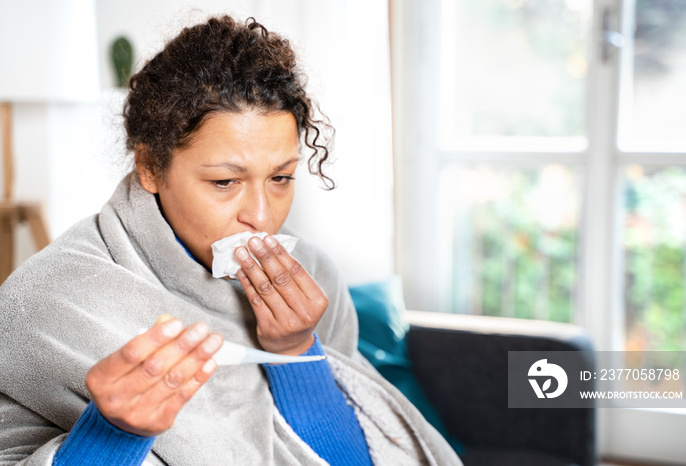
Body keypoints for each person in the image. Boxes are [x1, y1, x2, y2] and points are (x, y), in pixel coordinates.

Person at [0, 15, 460, 466]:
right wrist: (112, 438)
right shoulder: (46, 303)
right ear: (149, 167)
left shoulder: (315, 277)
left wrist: (299, 355)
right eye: (225, 182)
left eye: (281, 177)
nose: (261, 217)